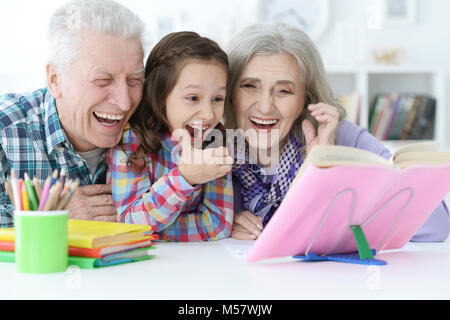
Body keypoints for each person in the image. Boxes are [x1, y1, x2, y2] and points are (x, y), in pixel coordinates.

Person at [224, 23, 449, 242]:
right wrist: (222, 221)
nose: (265, 106)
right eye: (249, 86)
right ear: (230, 91)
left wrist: (334, 174)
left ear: (306, 98)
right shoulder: (212, 144)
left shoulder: (342, 137)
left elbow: (435, 225)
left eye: (284, 91)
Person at [0, 0, 146, 227]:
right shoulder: (5, 128)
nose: (125, 102)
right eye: (103, 81)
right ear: (55, 79)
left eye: (135, 80)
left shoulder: (155, 127)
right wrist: (51, 215)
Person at [107, 31, 234, 241]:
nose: (209, 114)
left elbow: (218, 225)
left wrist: (152, 229)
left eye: (217, 98)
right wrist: (185, 178)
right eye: (193, 98)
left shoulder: (216, 142)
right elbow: (128, 226)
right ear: (160, 96)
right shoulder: (130, 142)